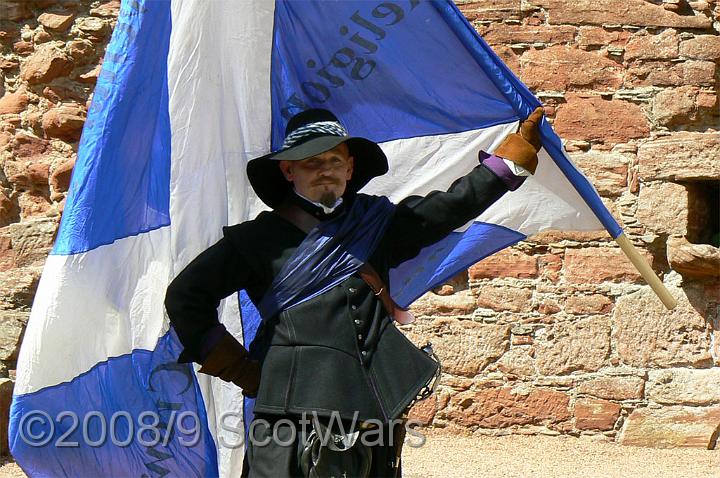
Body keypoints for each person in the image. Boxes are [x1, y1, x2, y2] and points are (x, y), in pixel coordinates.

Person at [164, 107, 543, 477]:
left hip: (370, 410)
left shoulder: (377, 223)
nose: (325, 170)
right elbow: (185, 297)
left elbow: (449, 207)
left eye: (334, 160)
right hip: (289, 415)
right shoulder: (257, 238)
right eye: (311, 162)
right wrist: (243, 371)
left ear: (349, 168)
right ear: (288, 171)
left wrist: (509, 163)